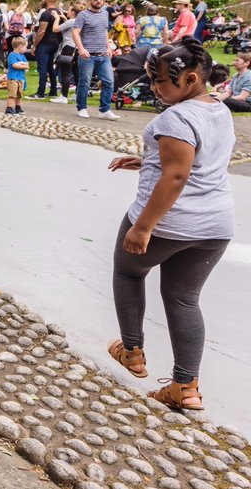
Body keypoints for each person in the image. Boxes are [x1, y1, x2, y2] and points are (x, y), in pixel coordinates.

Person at [105, 39, 234, 412]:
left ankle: (131, 351)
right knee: (183, 299)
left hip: (170, 221)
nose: (155, 89)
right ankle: (185, 387)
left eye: (161, 82)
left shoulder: (176, 117)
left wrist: (143, 226)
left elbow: (176, 176)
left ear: (191, 78)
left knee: (128, 273)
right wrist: (145, 162)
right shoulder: (218, 110)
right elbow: (194, 162)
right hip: (214, 226)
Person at [73, 0, 121, 120]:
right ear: (89, 0)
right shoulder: (83, 15)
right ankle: (81, 107)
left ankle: (104, 110)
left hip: (103, 55)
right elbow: (76, 32)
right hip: (88, 55)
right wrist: (81, 49)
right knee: (85, 82)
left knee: (109, 81)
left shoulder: (105, 13)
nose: (98, 1)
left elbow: (104, 31)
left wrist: (108, 47)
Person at [32, 0, 63, 99]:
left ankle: (40, 92)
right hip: (55, 43)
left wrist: (34, 45)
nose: (42, 0)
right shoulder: (60, 12)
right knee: (50, 67)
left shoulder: (46, 14)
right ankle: (53, 91)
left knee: (43, 68)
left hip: (45, 43)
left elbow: (41, 31)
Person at [5, 36, 29, 115]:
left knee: (19, 94)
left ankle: (17, 107)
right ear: (20, 47)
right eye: (25, 47)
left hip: (21, 78)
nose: (26, 49)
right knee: (12, 94)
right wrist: (23, 65)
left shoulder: (22, 56)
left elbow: (27, 64)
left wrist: (21, 64)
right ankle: (9, 108)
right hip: (13, 78)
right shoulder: (12, 55)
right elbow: (14, 65)